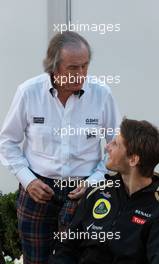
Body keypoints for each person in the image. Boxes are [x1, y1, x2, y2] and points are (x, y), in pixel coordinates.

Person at [0, 31, 121, 264]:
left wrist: (94, 181)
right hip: (37, 189)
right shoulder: (28, 92)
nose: (82, 74)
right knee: (36, 260)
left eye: (85, 66)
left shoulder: (102, 94)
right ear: (53, 67)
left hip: (86, 190)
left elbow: (116, 147)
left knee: (83, 260)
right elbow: (7, 142)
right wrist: (28, 180)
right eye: (73, 68)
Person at [51, 118, 159, 264]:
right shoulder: (97, 191)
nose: (107, 147)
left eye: (115, 144)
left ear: (133, 160)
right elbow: (66, 248)